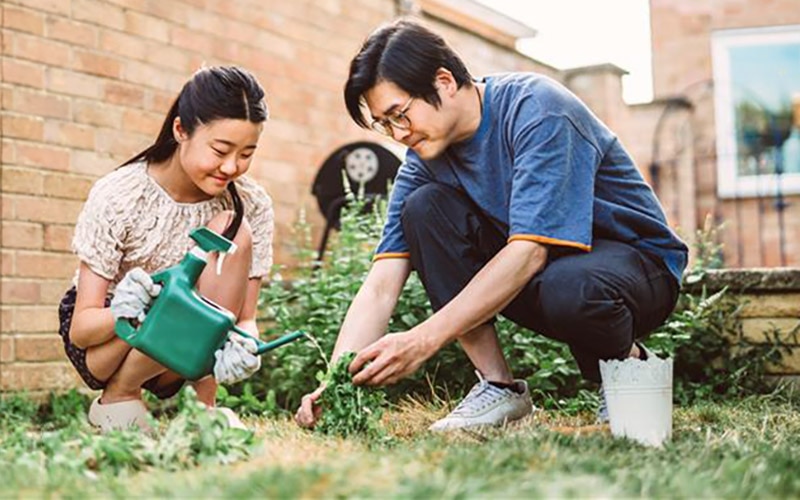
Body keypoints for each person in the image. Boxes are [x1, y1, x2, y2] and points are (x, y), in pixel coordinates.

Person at [295, 20, 688, 432]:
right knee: (423, 208)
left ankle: (628, 370)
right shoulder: (423, 162)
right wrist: (336, 381)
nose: (398, 134)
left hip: (639, 271)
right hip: (542, 275)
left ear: (444, 81)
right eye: (384, 124)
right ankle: (499, 388)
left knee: (570, 285)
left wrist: (422, 340)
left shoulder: (537, 109)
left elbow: (529, 252)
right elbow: (381, 284)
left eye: (400, 115)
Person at [60, 66, 274, 433]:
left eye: (246, 154)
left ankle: (202, 405)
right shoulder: (120, 195)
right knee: (171, 296)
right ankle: (120, 396)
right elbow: (82, 330)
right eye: (221, 150)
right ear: (180, 130)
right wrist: (131, 307)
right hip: (108, 342)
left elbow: (244, 319)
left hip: (182, 354)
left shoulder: (249, 204)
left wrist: (246, 343)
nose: (231, 167)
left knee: (230, 229)